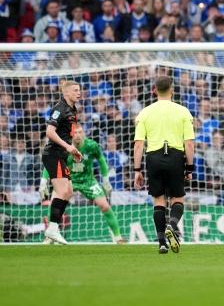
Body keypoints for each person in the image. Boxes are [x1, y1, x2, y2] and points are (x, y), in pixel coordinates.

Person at [133, 76, 196, 254]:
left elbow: (138, 144)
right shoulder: (183, 111)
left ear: (154, 90)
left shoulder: (145, 112)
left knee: (158, 201)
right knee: (177, 199)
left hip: (153, 156)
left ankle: (162, 243)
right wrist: (189, 167)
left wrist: (137, 170)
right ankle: (173, 224)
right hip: (175, 155)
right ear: (172, 90)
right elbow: (189, 143)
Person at [40, 125, 125, 243]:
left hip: (87, 180)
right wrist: (44, 180)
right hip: (68, 179)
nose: (78, 135)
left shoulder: (91, 146)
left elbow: (101, 161)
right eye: (75, 133)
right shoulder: (64, 146)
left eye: (80, 132)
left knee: (105, 205)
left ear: (84, 133)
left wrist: (105, 180)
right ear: (71, 134)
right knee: (55, 203)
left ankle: (118, 237)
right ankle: (50, 236)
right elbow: (53, 163)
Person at [41, 80, 84, 245]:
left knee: (68, 191)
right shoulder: (59, 109)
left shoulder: (72, 109)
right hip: (53, 155)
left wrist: (73, 149)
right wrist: (68, 147)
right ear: (66, 93)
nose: (78, 93)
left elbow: (66, 135)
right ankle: (52, 229)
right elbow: (50, 132)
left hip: (61, 155)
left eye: (79, 90)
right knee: (62, 191)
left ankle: (52, 231)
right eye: (75, 90)